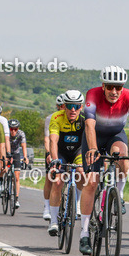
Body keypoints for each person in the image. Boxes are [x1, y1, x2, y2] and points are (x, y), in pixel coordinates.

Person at [79, 67, 129, 255]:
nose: (114, 92)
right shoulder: (92, 94)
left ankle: (119, 195)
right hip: (94, 137)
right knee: (91, 182)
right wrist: (92, 148)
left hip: (116, 135)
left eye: (118, 87)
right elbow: (89, 125)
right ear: (103, 86)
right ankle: (84, 233)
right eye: (110, 87)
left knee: (123, 158)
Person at [48, 90, 87, 237]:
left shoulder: (84, 118)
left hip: (78, 152)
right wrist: (54, 160)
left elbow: (89, 140)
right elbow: (53, 140)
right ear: (63, 106)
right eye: (69, 106)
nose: (72, 110)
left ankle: (77, 202)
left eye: (76, 106)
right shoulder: (56, 117)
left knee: (82, 174)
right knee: (57, 182)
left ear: (81, 107)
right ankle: (53, 221)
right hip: (61, 152)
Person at [42, 96, 62, 220]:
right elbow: (47, 138)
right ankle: (47, 207)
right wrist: (49, 153)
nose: (63, 108)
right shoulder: (50, 118)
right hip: (52, 148)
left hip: (66, 149)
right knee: (50, 178)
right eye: (60, 106)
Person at [7, 118, 27, 210]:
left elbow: (23, 146)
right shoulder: (6, 133)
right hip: (6, 152)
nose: (13, 131)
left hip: (16, 153)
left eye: (15, 129)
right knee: (4, 169)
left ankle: (16, 198)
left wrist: (25, 157)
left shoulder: (21, 133)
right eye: (11, 129)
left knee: (17, 176)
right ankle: (1, 182)